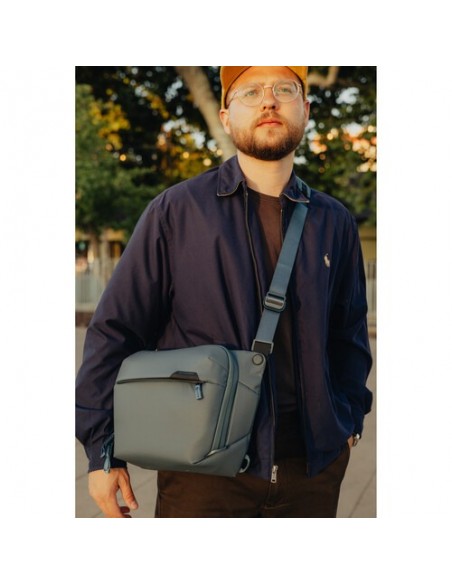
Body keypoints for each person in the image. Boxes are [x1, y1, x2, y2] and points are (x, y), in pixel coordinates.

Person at [76, 66, 373, 518]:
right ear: (226, 116)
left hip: (313, 471)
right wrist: (102, 451)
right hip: (202, 470)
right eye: (250, 92)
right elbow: (116, 330)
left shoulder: (334, 221)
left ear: (306, 109)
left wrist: (348, 423)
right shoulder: (176, 212)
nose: (269, 100)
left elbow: (349, 335)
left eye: (284, 89)